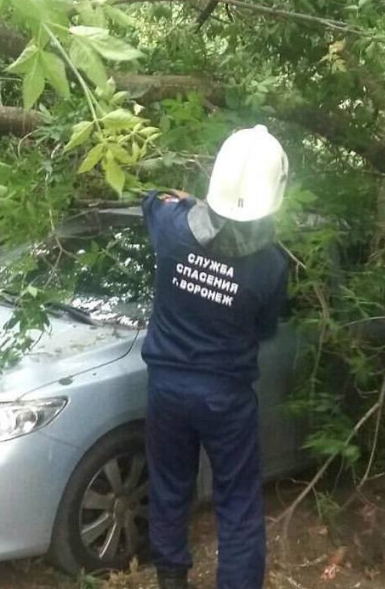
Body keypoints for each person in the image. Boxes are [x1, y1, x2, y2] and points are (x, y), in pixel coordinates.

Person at [141, 125, 290, 589]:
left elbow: (153, 199)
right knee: (238, 502)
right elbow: (265, 329)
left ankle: (171, 579)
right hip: (226, 395)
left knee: (169, 487)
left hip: (167, 387)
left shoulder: (171, 229)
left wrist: (187, 204)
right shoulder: (271, 266)